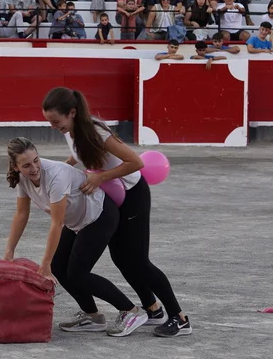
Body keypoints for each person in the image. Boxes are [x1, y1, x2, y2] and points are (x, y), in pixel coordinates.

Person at [41, 87, 190, 337]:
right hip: (111, 196)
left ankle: (180, 318)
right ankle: (153, 309)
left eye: (56, 121)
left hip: (132, 196)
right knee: (121, 259)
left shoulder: (97, 131)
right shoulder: (71, 130)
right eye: (49, 122)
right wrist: (62, 169)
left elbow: (136, 162)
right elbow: (78, 154)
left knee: (138, 261)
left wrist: (101, 178)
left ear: (72, 113)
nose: (53, 127)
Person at [3, 137, 148, 336]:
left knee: (78, 274)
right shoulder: (22, 179)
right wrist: (9, 250)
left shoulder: (55, 175)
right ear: (16, 167)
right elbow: (21, 215)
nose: (34, 168)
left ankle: (131, 311)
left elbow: (57, 223)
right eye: (26, 165)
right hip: (77, 221)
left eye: (36, 160)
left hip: (100, 215)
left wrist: (45, 264)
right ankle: (92, 316)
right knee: (60, 268)